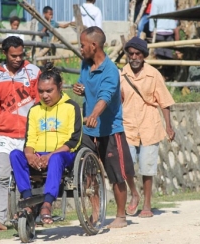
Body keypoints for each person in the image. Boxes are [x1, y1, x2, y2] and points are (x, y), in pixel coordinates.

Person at [73, 26, 137, 228]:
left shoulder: (110, 70)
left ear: (94, 45)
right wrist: (81, 89)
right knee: (89, 176)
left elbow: (106, 97)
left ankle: (120, 217)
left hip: (110, 130)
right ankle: (95, 214)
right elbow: (88, 87)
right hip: (90, 131)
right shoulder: (86, 65)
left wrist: (94, 114)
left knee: (116, 175)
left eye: (82, 45)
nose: (80, 49)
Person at [10, 63, 82, 225]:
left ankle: (47, 204)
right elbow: (30, 140)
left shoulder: (71, 107)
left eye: (49, 91)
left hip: (63, 155)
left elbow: (74, 140)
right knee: (15, 154)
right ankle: (28, 201)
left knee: (56, 159)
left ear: (60, 87)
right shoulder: (35, 110)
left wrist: (51, 155)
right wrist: (29, 155)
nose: (45, 95)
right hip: (38, 155)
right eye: (41, 91)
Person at [0, 36, 41, 232]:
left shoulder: (33, 72)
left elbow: (41, 103)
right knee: (2, 177)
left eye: (21, 55)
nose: (17, 59)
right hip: (6, 137)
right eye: (13, 56)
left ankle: (27, 212)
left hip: (29, 136)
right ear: (5, 54)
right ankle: (1, 220)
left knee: (28, 176)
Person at [120, 37, 175, 218]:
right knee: (127, 166)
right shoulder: (121, 75)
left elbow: (164, 102)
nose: (134, 57)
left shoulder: (153, 74)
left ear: (144, 55)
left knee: (147, 167)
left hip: (150, 124)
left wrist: (169, 126)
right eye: (131, 54)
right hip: (127, 125)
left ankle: (147, 204)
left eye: (138, 54)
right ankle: (134, 193)